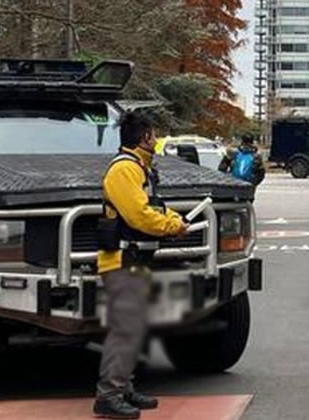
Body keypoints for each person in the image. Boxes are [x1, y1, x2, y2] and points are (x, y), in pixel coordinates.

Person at [94, 112, 188, 419]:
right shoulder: (124, 170)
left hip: (135, 260)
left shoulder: (139, 169)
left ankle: (123, 386)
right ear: (143, 138)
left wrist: (174, 218)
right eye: (154, 135)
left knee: (134, 328)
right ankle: (108, 395)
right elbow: (139, 215)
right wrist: (171, 226)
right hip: (122, 260)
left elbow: (152, 206)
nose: (157, 140)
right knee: (125, 328)